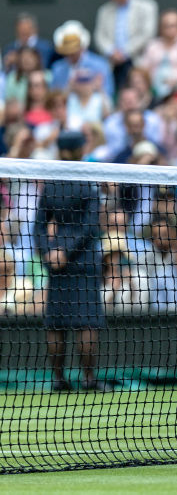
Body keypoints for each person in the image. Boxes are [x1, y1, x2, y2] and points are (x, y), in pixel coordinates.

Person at [37, 130, 108, 392]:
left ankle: (59, 380)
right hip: (84, 261)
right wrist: (64, 252)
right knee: (87, 322)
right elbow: (90, 227)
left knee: (56, 322)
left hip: (57, 263)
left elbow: (39, 226)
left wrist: (50, 252)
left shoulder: (52, 184)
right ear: (78, 149)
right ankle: (89, 380)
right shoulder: (87, 182)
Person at [92, 0, 158, 91]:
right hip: (112, 63)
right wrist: (111, 51)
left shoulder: (147, 6)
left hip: (138, 59)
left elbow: (147, 33)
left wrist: (125, 52)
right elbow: (99, 36)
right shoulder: (104, 10)